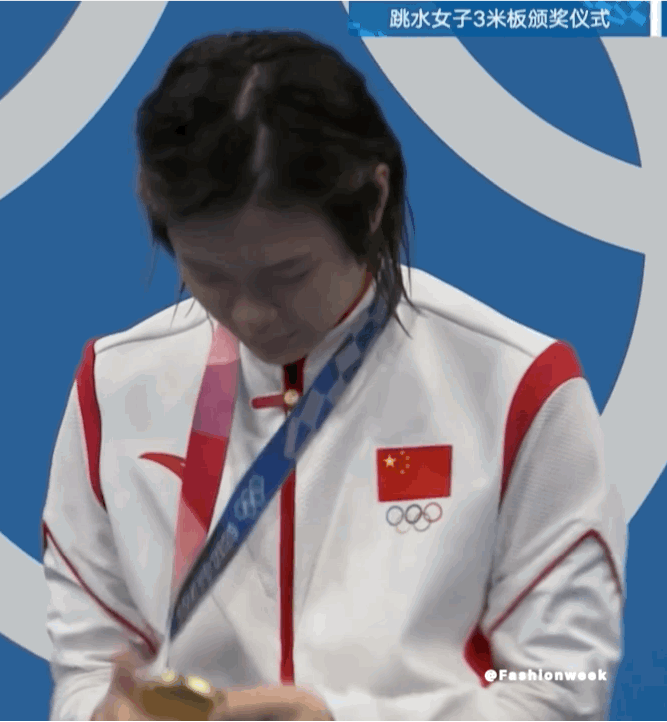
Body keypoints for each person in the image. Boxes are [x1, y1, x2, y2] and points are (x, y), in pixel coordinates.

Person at [41, 31, 626, 721]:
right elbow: (88, 665)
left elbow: (562, 688)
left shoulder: (517, 387)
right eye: (208, 274)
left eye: (288, 273)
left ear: (373, 201)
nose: (251, 313)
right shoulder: (114, 387)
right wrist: (102, 714)